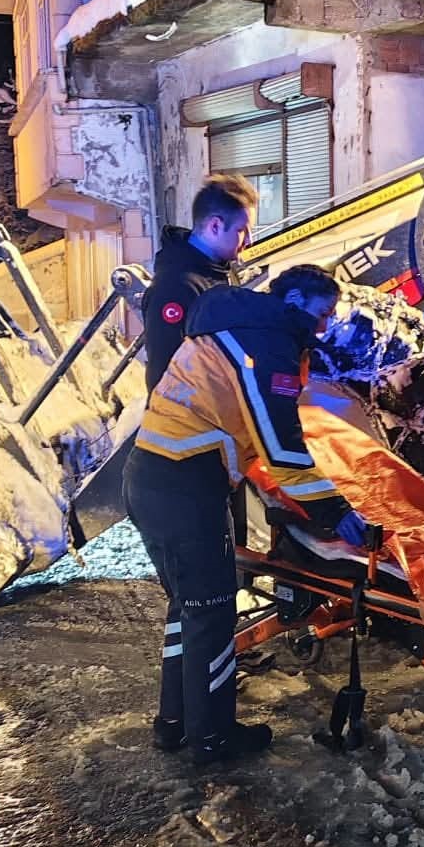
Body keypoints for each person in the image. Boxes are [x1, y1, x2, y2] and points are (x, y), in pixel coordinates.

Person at [124, 263, 373, 764]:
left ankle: (174, 723)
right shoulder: (268, 341)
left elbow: (251, 428)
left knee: (189, 609)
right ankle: (213, 738)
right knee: (213, 614)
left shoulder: (235, 326)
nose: (323, 328)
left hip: (151, 474)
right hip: (186, 486)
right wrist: (333, 510)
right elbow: (279, 442)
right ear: (296, 300)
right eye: (321, 314)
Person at [142, 173, 258, 392]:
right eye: (242, 230)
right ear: (215, 226)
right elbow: (164, 375)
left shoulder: (216, 273)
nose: (250, 240)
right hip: (190, 421)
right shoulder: (176, 287)